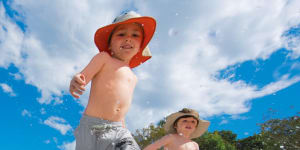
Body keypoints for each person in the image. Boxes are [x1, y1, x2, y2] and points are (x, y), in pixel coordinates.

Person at [69, 11, 156, 150]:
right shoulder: (104, 58)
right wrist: (76, 80)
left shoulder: (133, 77)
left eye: (135, 35)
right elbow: (82, 77)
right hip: (91, 127)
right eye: (121, 34)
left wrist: (124, 128)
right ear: (109, 44)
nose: (128, 38)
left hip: (118, 130)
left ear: (140, 47)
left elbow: (122, 108)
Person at [144, 108, 210, 150]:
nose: (189, 123)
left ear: (195, 127)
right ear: (175, 125)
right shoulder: (171, 138)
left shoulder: (195, 145)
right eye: (185, 120)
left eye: (193, 122)